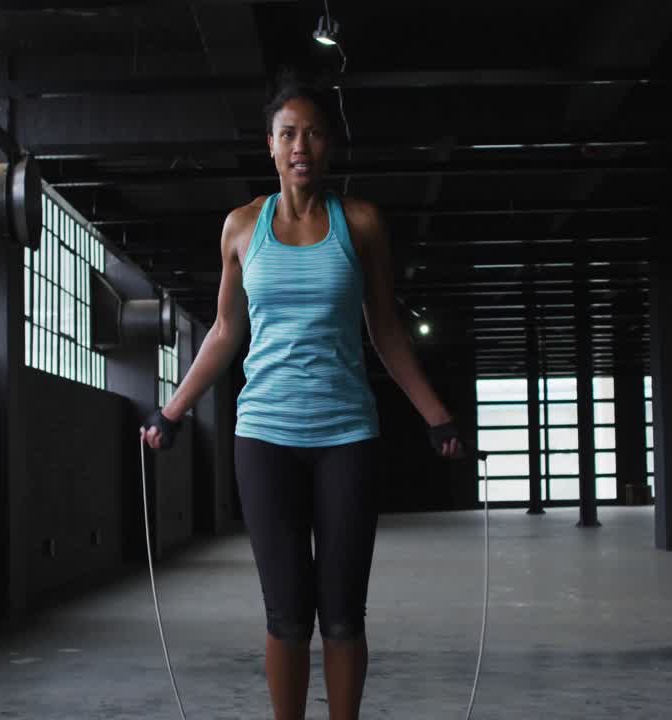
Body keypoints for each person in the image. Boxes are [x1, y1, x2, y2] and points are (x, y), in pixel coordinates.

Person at [140, 70, 467, 720]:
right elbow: (225, 332)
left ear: (330, 144)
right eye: (288, 133)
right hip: (264, 439)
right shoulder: (241, 228)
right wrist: (172, 411)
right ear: (269, 144)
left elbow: (386, 330)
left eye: (314, 134)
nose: (300, 147)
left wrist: (438, 417)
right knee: (287, 613)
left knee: (342, 613)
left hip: (348, 437)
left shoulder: (362, 224)